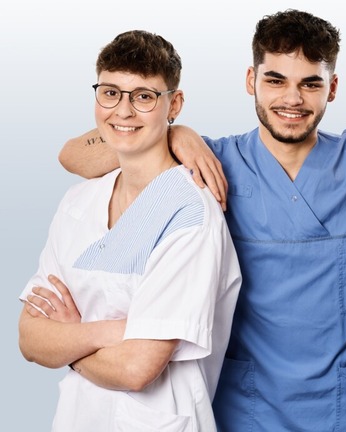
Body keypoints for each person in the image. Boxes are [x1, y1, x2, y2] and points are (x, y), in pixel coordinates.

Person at [57, 9, 346, 431]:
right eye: (275, 80)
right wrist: (172, 131)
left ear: (331, 89)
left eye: (310, 84)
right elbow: (74, 155)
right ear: (250, 82)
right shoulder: (214, 161)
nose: (292, 100)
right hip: (247, 405)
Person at [18, 30, 242, 431]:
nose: (122, 111)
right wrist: (111, 331)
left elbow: (138, 367)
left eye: (143, 96)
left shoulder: (190, 212)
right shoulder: (78, 202)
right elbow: (30, 338)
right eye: (110, 92)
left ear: (174, 104)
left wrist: (68, 340)